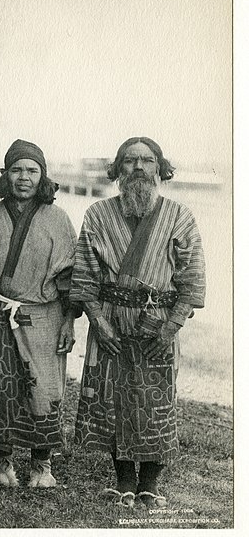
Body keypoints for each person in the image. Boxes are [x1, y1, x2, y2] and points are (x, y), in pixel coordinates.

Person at [70, 137, 205, 509]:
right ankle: (123, 482)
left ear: (160, 169)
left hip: (158, 325)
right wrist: (98, 321)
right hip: (111, 323)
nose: (139, 168)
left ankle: (150, 484)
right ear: (117, 170)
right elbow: (83, 277)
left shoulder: (180, 217)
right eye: (130, 161)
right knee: (114, 399)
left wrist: (170, 326)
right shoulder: (98, 215)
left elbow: (191, 280)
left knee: (155, 401)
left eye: (148, 161)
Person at [0, 139, 78, 488]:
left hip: (44, 317)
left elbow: (71, 277)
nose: (24, 177)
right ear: (5, 174)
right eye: (17, 169)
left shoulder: (58, 220)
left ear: (43, 176)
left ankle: (42, 464)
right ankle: (1, 460)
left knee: (43, 387)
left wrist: (69, 321)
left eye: (32, 170)